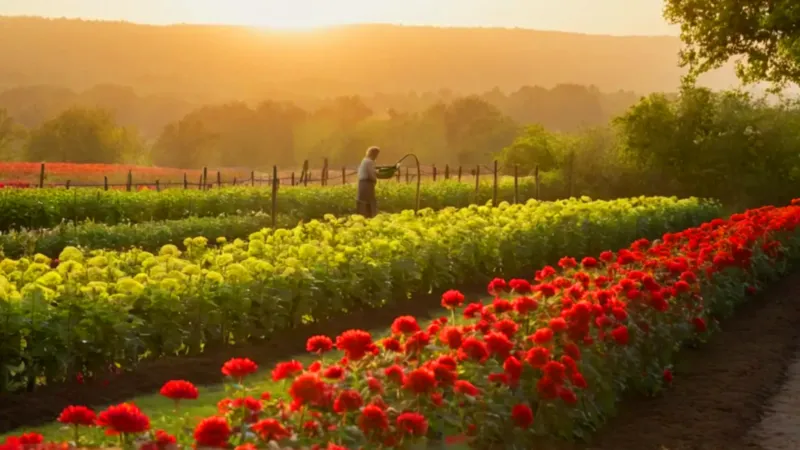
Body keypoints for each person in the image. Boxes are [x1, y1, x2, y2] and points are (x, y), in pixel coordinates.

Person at [357, 146, 380, 217]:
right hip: (367, 183)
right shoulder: (369, 162)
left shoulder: (365, 160)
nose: (377, 156)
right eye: (376, 155)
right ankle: (369, 216)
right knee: (369, 201)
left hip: (362, 183)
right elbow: (370, 174)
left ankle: (362, 216)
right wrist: (375, 180)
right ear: (373, 154)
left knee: (362, 200)